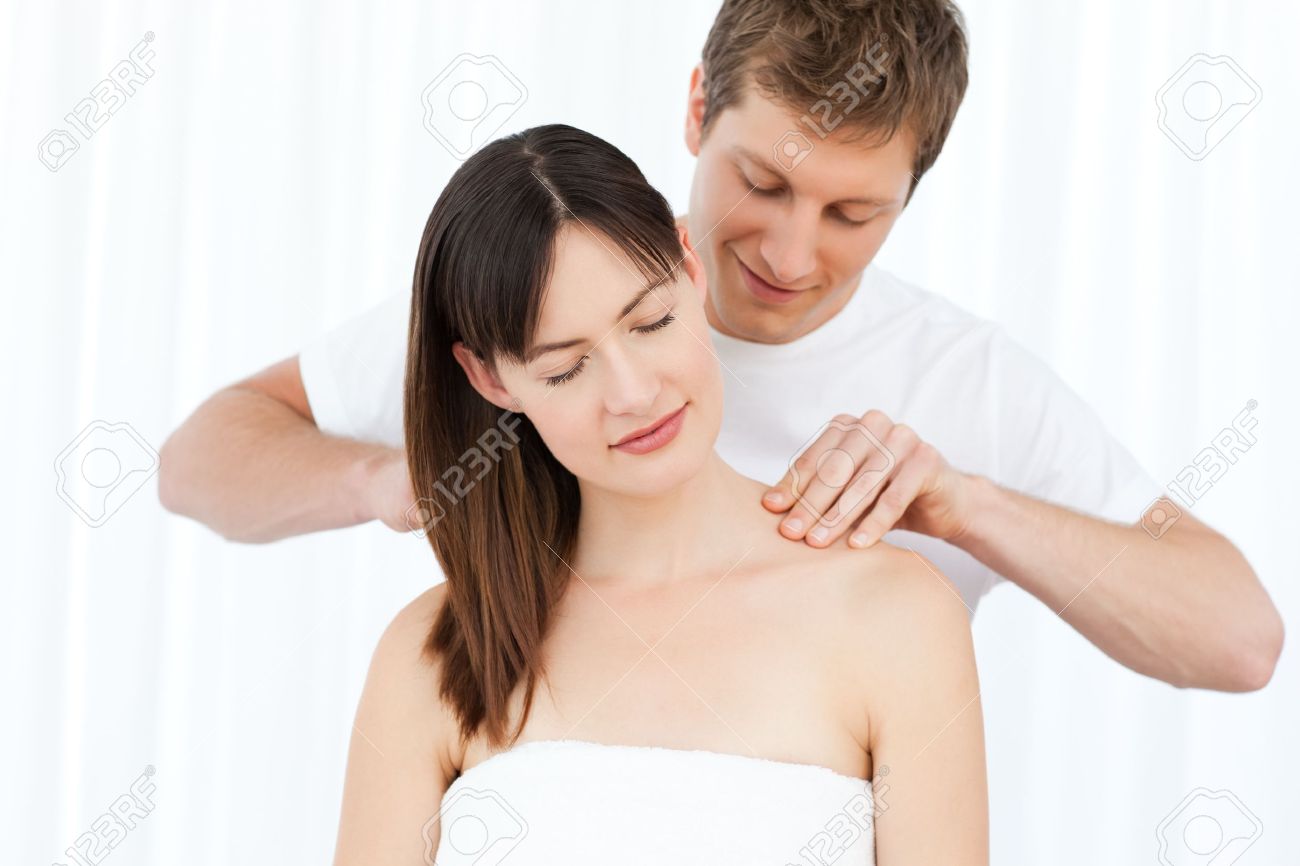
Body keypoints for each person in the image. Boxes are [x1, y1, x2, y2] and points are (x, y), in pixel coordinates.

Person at [159, 0, 1282, 691]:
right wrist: (387, 477)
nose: (790, 253)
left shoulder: (965, 380)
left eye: (853, 214)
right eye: (762, 183)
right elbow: (197, 460)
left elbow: (1240, 641)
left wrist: (962, 504)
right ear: (698, 109)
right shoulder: (554, 290)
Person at [331, 122, 987, 866]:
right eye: (565, 368)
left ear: (689, 265)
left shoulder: (896, 614)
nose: (635, 394)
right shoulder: (436, 654)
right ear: (489, 378)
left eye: (652, 322)